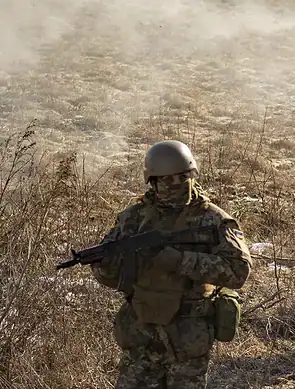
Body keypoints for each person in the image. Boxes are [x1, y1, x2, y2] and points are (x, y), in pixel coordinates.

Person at [90, 140, 253, 388]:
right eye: (167, 180)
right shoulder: (134, 218)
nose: (176, 184)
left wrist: (180, 261)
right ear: (153, 182)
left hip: (188, 338)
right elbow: (111, 277)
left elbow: (238, 271)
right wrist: (105, 267)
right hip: (142, 336)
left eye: (183, 177)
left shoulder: (213, 220)